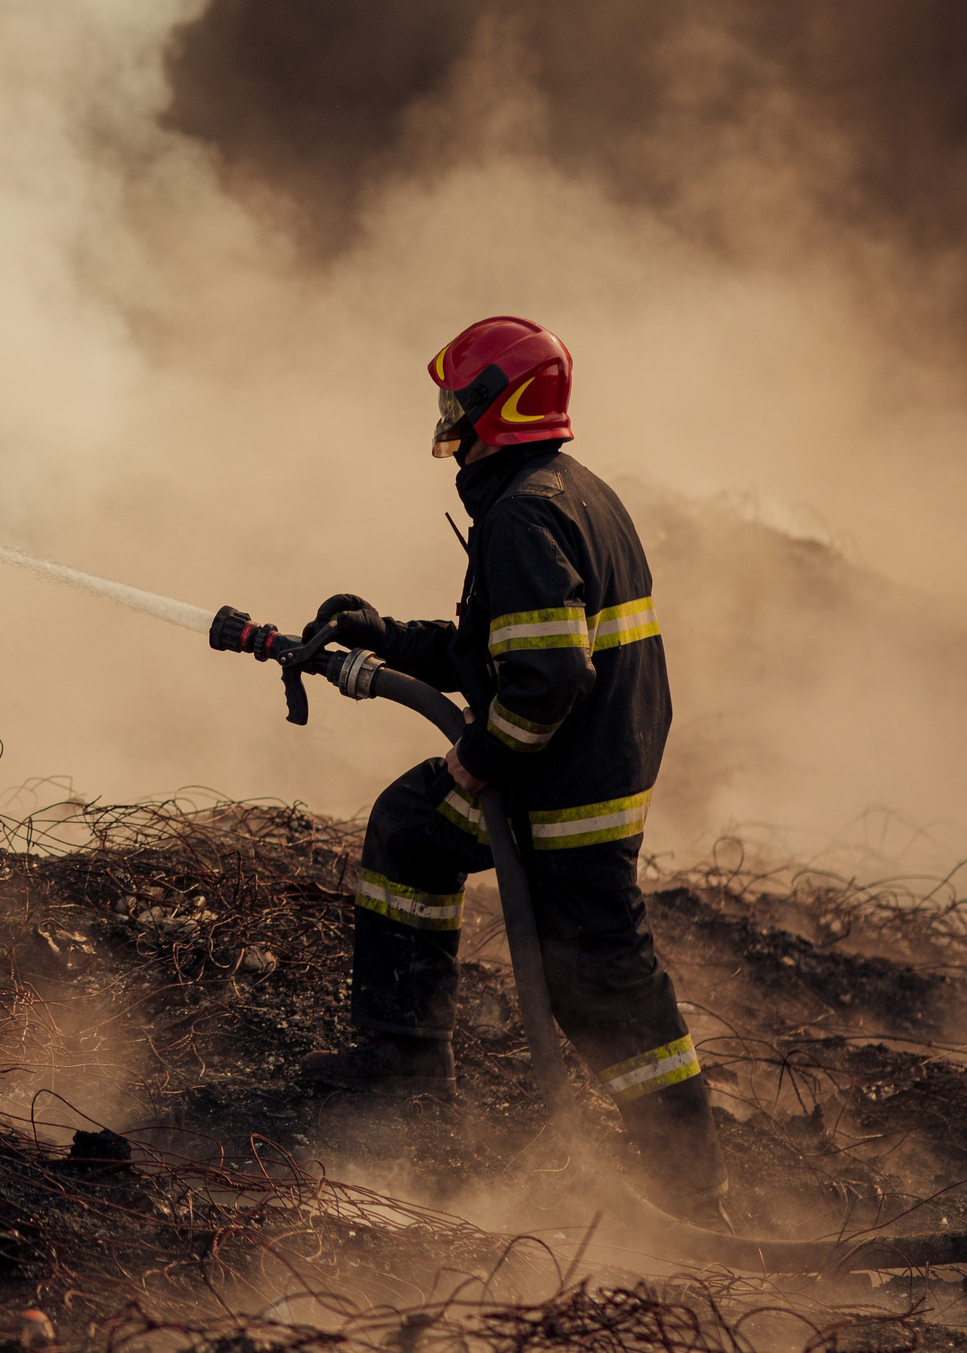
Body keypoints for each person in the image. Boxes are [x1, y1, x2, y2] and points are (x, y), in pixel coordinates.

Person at [268, 315, 722, 1218]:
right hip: (588, 764)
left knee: (597, 979)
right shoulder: (566, 490)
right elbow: (502, 652)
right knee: (414, 831)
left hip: (565, 783)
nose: (446, 417)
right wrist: (384, 634)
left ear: (499, 405)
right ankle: (402, 1074)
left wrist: (478, 761)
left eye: (456, 401)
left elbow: (548, 677)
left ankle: (692, 1198)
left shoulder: (522, 514)